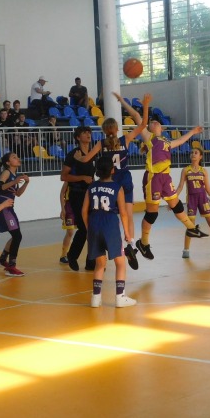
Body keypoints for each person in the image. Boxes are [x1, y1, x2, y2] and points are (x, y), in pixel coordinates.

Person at [118, 96, 208, 260]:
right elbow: (137, 116)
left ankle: (191, 228)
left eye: (156, 122)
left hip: (166, 178)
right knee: (152, 214)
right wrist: (127, 103)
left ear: (161, 127)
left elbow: (180, 140)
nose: (154, 122)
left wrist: (193, 132)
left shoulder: (166, 141)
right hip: (153, 178)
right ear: (150, 128)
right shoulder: (149, 137)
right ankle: (143, 243)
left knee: (176, 205)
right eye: (152, 122)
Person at [75, 92, 151, 269]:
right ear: (117, 129)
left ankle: (108, 243)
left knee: (111, 215)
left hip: (109, 181)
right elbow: (143, 124)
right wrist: (146, 105)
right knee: (129, 215)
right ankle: (130, 243)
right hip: (125, 178)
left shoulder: (101, 144)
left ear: (104, 131)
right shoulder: (125, 139)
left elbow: (86, 159)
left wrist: (79, 158)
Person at [82, 157, 137, 308]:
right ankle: (120, 297)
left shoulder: (91, 187)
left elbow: (84, 211)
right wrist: (127, 233)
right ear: (112, 170)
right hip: (110, 226)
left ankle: (95, 298)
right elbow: (123, 213)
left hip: (94, 225)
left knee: (100, 263)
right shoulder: (117, 187)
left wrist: (88, 229)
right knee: (120, 262)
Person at [175, 146, 210, 259]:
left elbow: (208, 188)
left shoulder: (203, 171)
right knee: (190, 225)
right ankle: (186, 249)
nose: (193, 154)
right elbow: (180, 186)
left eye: (196, 153)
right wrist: (172, 200)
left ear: (200, 156)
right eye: (192, 152)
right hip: (192, 199)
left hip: (203, 199)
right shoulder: (185, 170)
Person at [60, 125, 96, 271]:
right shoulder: (73, 154)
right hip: (77, 194)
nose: (88, 134)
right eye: (84, 133)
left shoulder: (93, 153)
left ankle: (91, 262)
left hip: (91, 194)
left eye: (89, 132)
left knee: (93, 228)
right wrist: (82, 177)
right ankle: (72, 256)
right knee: (83, 228)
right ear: (78, 137)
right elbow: (64, 176)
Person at [0, 152, 30, 277]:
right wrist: (14, 181)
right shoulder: (7, 172)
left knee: (16, 236)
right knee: (17, 236)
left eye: (17, 156)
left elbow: (17, 194)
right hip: (4, 207)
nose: (17, 158)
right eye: (14, 157)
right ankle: (11, 266)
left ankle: (2, 259)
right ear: (8, 163)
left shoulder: (14, 176)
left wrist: (26, 183)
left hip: (9, 208)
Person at [59, 180, 75, 264]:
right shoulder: (69, 179)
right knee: (70, 232)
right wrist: (62, 208)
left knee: (86, 232)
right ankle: (63, 255)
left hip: (80, 205)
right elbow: (62, 193)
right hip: (69, 206)